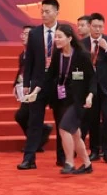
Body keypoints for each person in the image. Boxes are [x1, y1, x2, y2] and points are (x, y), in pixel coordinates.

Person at [21, 24, 95, 174]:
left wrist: (90, 95)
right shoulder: (57, 55)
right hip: (61, 99)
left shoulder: (82, 55)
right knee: (75, 134)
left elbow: (92, 78)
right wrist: (36, 91)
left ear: (69, 38)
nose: (56, 39)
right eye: (56, 36)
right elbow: (48, 77)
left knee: (64, 128)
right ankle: (87, 164)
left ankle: (69, 162)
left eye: (60, 37)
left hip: (78, 99)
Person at [17, 0, 63, 170]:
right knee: (34, 121)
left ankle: (62, 157)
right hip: (37, 83)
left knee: (61, 120)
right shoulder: (35, 33)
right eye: (42, 11)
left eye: (47, 11)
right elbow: (29, 61)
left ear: (57, 12)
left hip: (59, 82)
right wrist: (27, 83)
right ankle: (29, 158)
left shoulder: (65, 31)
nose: (44, 14)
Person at [83, 13, 107, 164]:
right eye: (94, 26)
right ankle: (94, 150)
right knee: (92, 119)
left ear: (104, 27)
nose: (97, 29)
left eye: (100, 26)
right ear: (89, 26)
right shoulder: (83, 43)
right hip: (90, 88)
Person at [12, 25, 50, 154]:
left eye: (27, 34)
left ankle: (37, 139)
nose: (24, 36)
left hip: (36, 88)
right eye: (23, 33)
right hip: (25, 87)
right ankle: (38, 139)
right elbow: (22, 70)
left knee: (23, 115)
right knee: (24, 116)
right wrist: (15, 85)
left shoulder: (38, 53)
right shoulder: (23, 54)